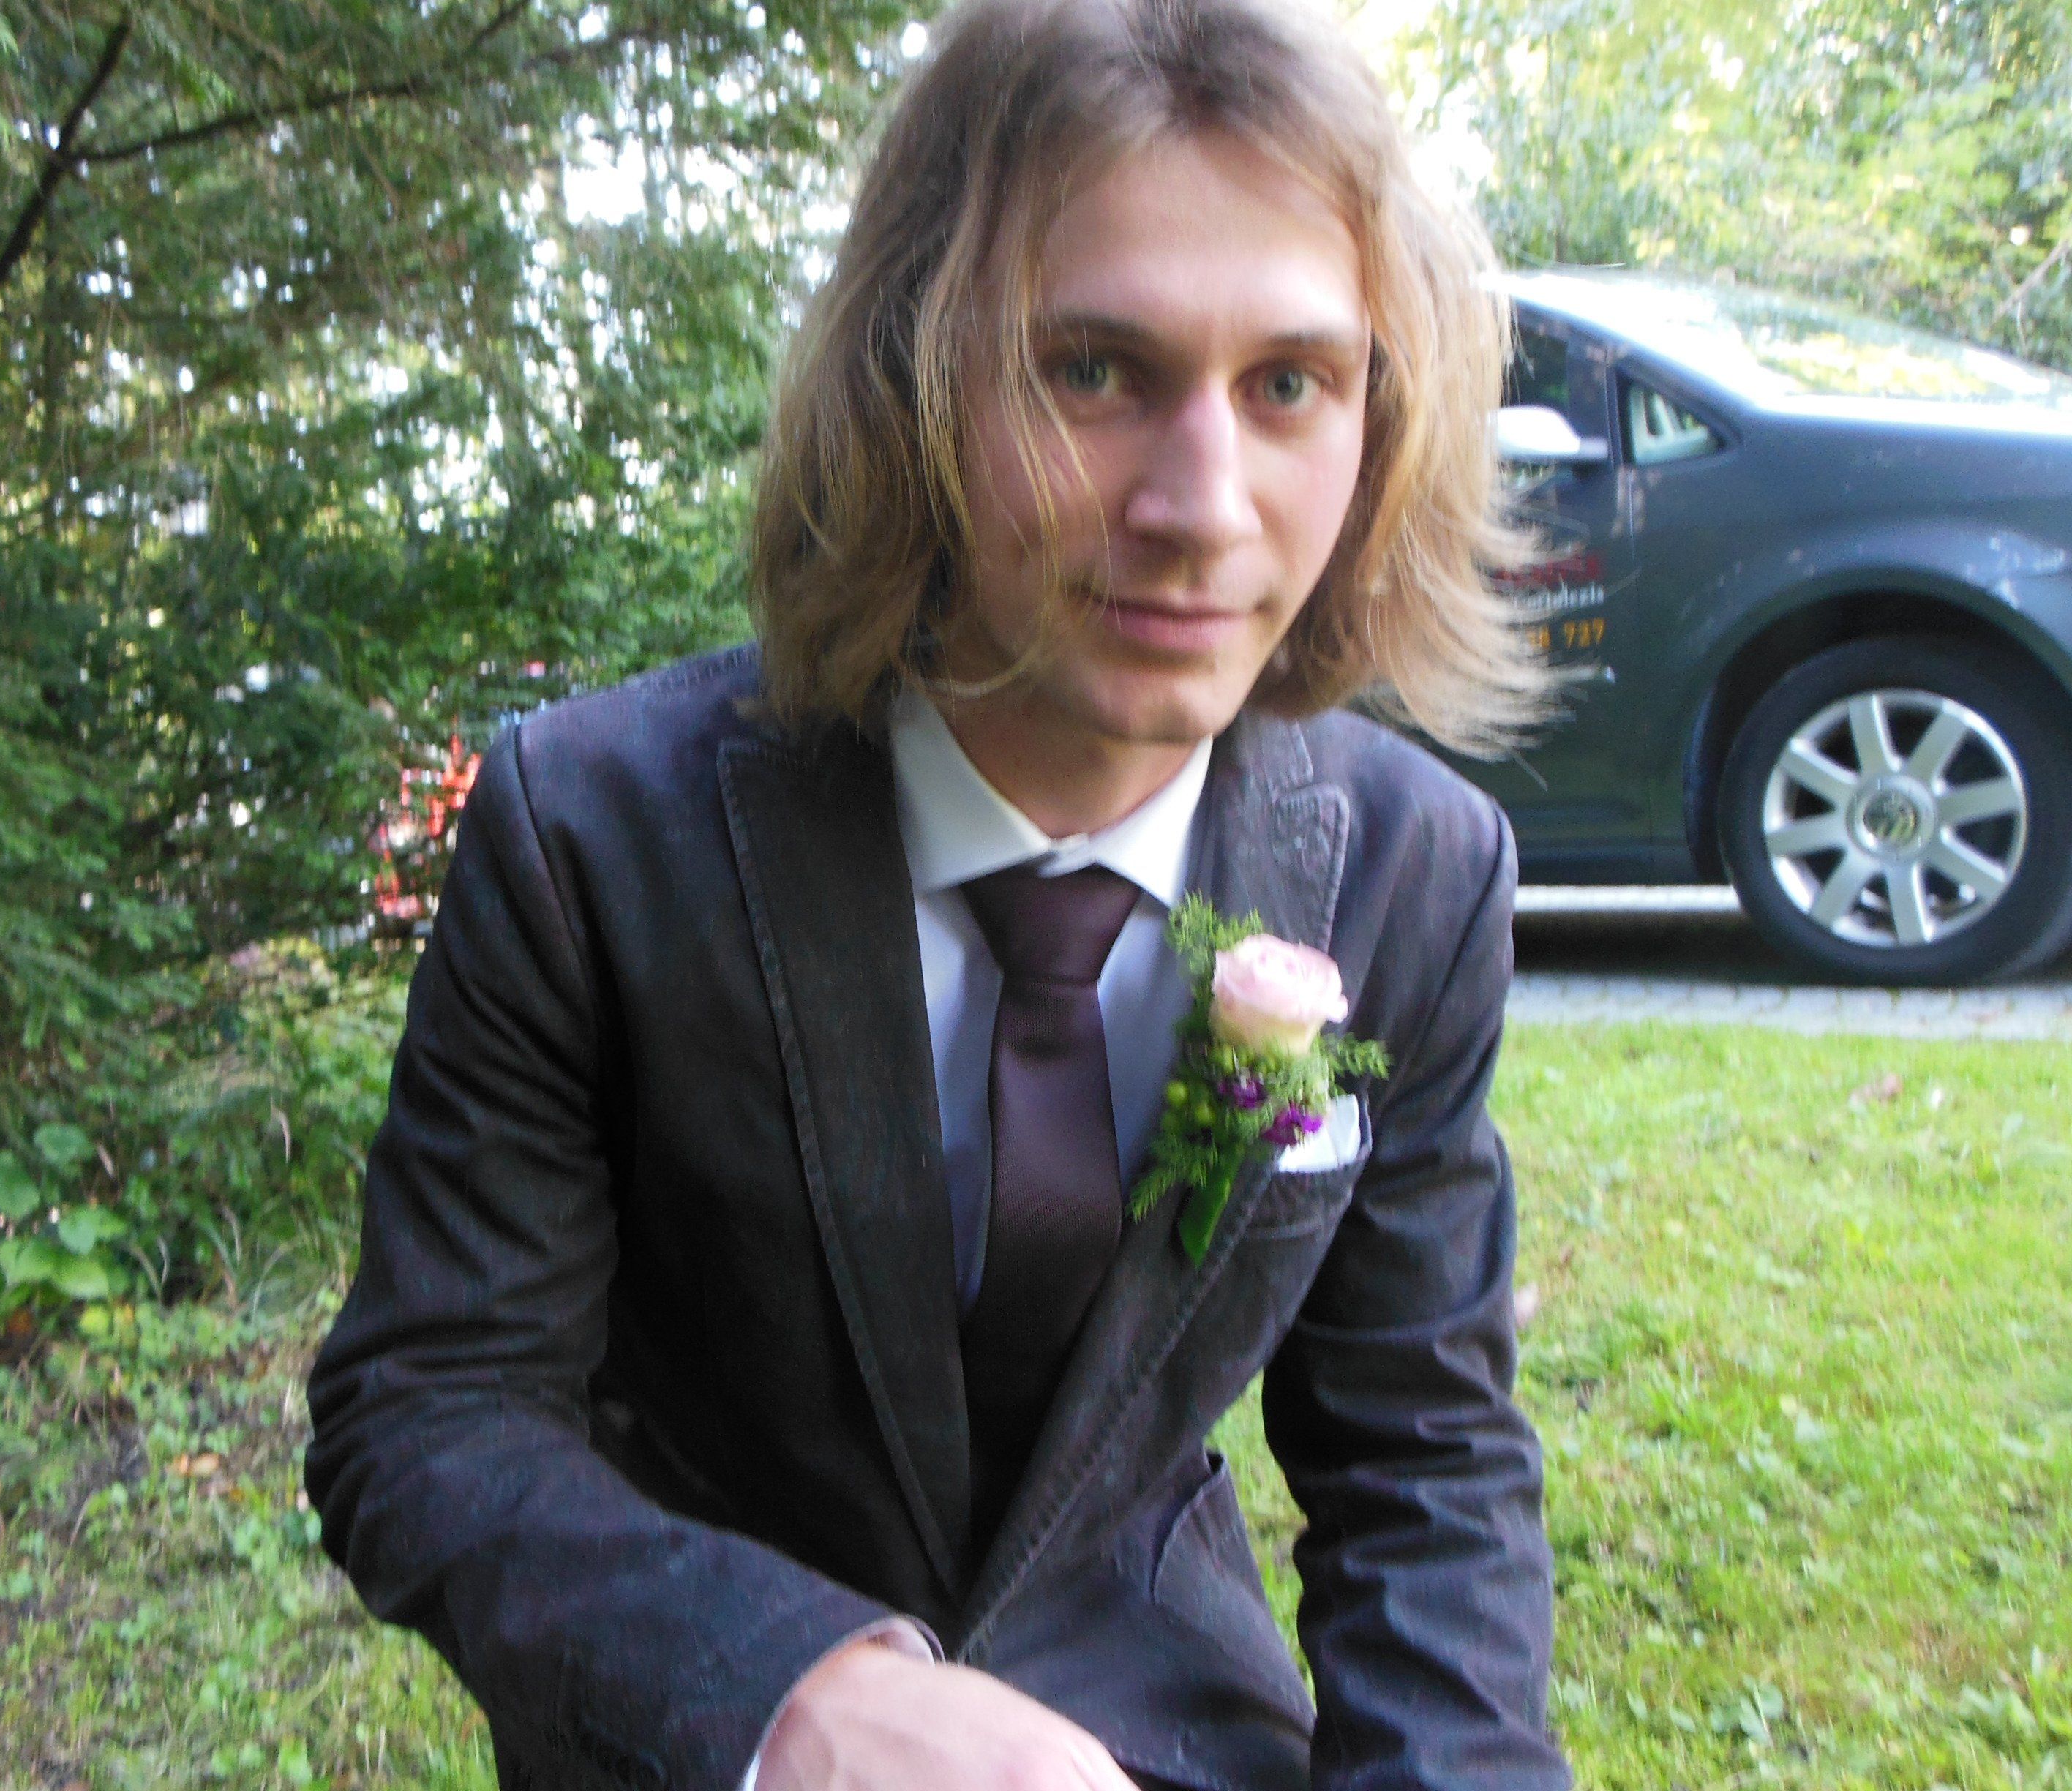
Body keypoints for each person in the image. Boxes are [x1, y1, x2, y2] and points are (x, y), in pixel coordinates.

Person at [303, 1, 1569, 1786]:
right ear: (913, 379)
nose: (1204, 509)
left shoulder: (1413, 874)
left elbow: (1422, 1456)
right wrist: (795, 1695)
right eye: (1096, 372)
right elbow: (427, 1410)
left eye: (1289, 384)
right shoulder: (588, 836)